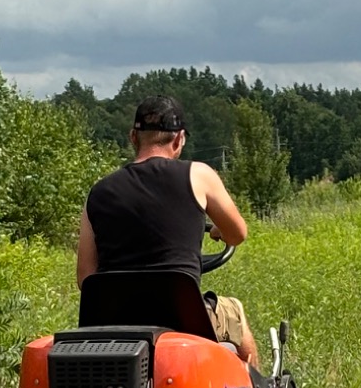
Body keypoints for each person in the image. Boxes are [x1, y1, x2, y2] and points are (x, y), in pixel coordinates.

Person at [77, 94, 260, 365]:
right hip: (184, 317)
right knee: (235, 312)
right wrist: (219, 231)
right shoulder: (199, 175)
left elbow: (85, 278)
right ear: (179, 140)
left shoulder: (98, 192)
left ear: (133, 137)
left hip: (113, 324)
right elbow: (237, 234)